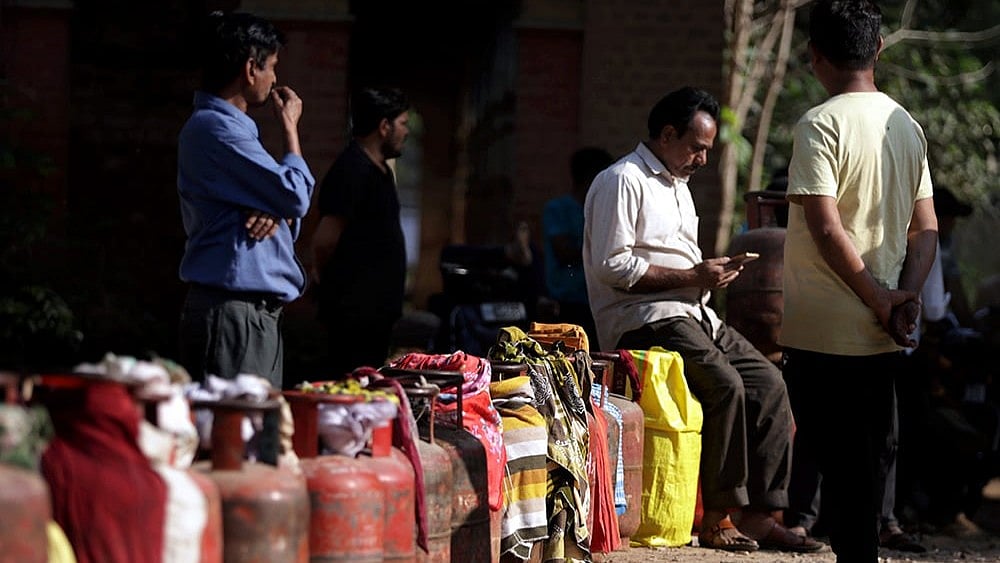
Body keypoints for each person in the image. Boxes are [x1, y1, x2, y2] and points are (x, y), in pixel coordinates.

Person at [582, 86, 822, 553]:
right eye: (697, 147)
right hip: (641, 315)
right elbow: (612, 267)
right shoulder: (622, 180)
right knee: (725, 384)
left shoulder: (678, 186)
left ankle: (761, 514)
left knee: (770, 383)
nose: (702, 159)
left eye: (708, 150)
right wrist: (694, 274)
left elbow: (681, 265)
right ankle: (717, 517)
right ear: (667, 134)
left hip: (692, 311)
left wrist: (710, 274)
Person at [779, 1, 939, 561]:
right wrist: (903, 301)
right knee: (864, 471)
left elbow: (824, 227)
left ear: (814, 56)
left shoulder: (820, 124)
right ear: (876, 51)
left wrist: (879, 299)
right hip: (883, 333)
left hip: (823, 331)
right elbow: (927, 232)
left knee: (843, 476)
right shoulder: (908, 126)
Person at [177, 11, 314, 389]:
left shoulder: (236, 130)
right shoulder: (216, 129)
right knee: (234, 437)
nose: (275, 80)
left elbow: (288, 209)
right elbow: (294, 196)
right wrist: (289, 128)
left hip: (253, 316)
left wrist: (276, 206)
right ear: (251, 69)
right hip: (233, 315)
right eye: (271, 68)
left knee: (257, 438)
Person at [310, 87, 411, 377]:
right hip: (353, 315)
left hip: (376, 315)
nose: (406, 131)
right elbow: (324, 240)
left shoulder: (380, 171)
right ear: (383, 126)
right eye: (402, 124)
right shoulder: (352, 170)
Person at [542, 147, 614, 345]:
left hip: (595, 302)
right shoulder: (558, 209)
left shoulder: (601, 210)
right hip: (567, 302)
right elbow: (563, 250)